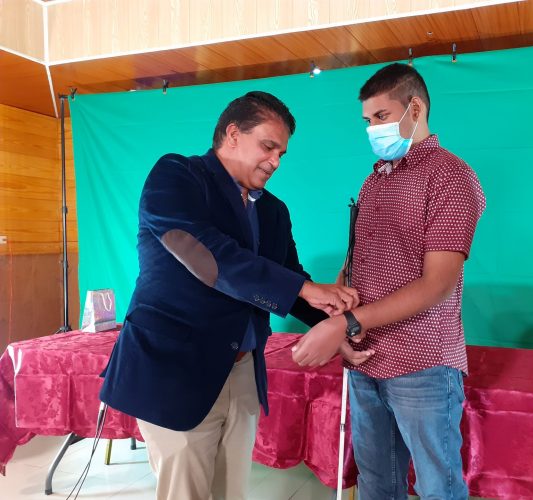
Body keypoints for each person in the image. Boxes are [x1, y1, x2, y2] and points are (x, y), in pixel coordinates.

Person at [99, 91, 362, 500]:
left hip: (241, 372)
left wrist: (336, 325)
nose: (275, 161)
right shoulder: (177, 175)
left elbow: (290, 283)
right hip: (175, 371)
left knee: (231, 493)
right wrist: (307, 289)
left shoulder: (274, 210)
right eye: (268, 147)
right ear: (233, 134)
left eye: (282, 154)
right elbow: (207, 254)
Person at [292, 63, 486, 499]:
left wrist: (346, 324)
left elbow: (437, 283)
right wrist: (335, 311)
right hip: (364, 360)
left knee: (440, 486)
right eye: (367, 121)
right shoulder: (374, 179)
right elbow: (356, 260)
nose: (373, 129)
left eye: (381, 117)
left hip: (422, 363)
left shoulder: (451, 177)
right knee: (377, 483)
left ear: (414, 108)